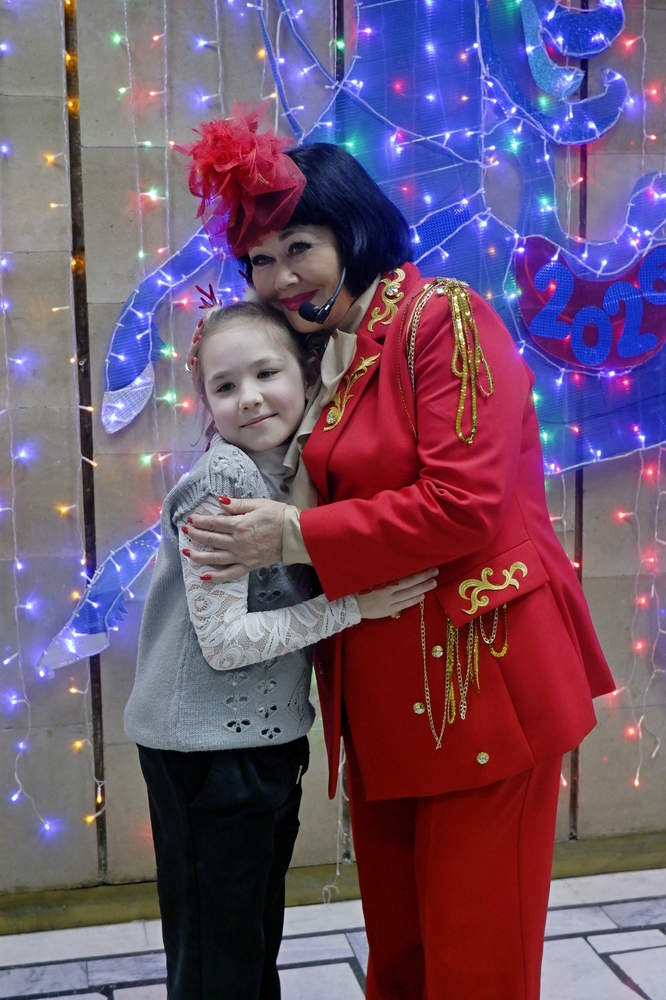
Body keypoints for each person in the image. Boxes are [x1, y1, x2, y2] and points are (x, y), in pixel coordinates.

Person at [177, 105, 616, 1000]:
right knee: (403, 958)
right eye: (258, 258)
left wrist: (291, 534)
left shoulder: (441, 318)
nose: (279, 276)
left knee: (475, 963)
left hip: (479, 685)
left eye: (298, 247)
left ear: (352, 230)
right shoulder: (322, 355)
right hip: (381, 699)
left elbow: (464, 506)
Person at [124, 297, 438, 1000]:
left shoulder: (293, 468)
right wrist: (352, 606)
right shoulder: (224, 482)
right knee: (220, 961)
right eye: (224, 385)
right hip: (205, 750)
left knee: (251, 939)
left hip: (262, 741)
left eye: (266, 373)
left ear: (306, 373)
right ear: (206, 402)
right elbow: (226, 642)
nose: (249, 397)